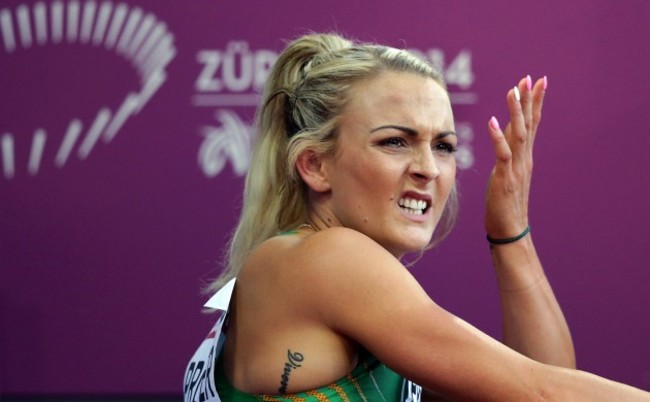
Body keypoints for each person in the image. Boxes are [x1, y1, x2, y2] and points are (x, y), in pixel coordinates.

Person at [184, 33, 650, 401]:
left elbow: (536, 383)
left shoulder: (328, 285)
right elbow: (539, 392)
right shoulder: (325, 258)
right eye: (395, 141)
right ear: (315, 166)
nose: (428, 168)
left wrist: (510, 232)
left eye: (443, 146)